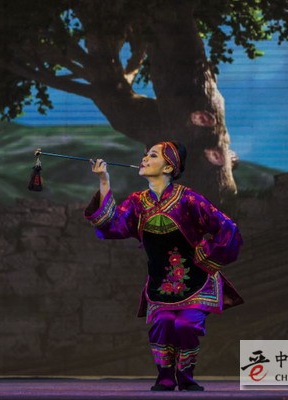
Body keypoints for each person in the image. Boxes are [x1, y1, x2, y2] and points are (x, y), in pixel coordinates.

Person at [84, 141, 243, 391]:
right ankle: (166, 377)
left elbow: (227, 228)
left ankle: (185, 376)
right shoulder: (137, 202)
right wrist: (104, 180)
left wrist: (205, 256)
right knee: (163, 325)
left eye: (152, 155)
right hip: (161, 285)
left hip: (196, 283)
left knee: (185, 325)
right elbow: (110, 225)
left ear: (168, 167)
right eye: (145, 155)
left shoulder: (188, 199)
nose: (144, 159)